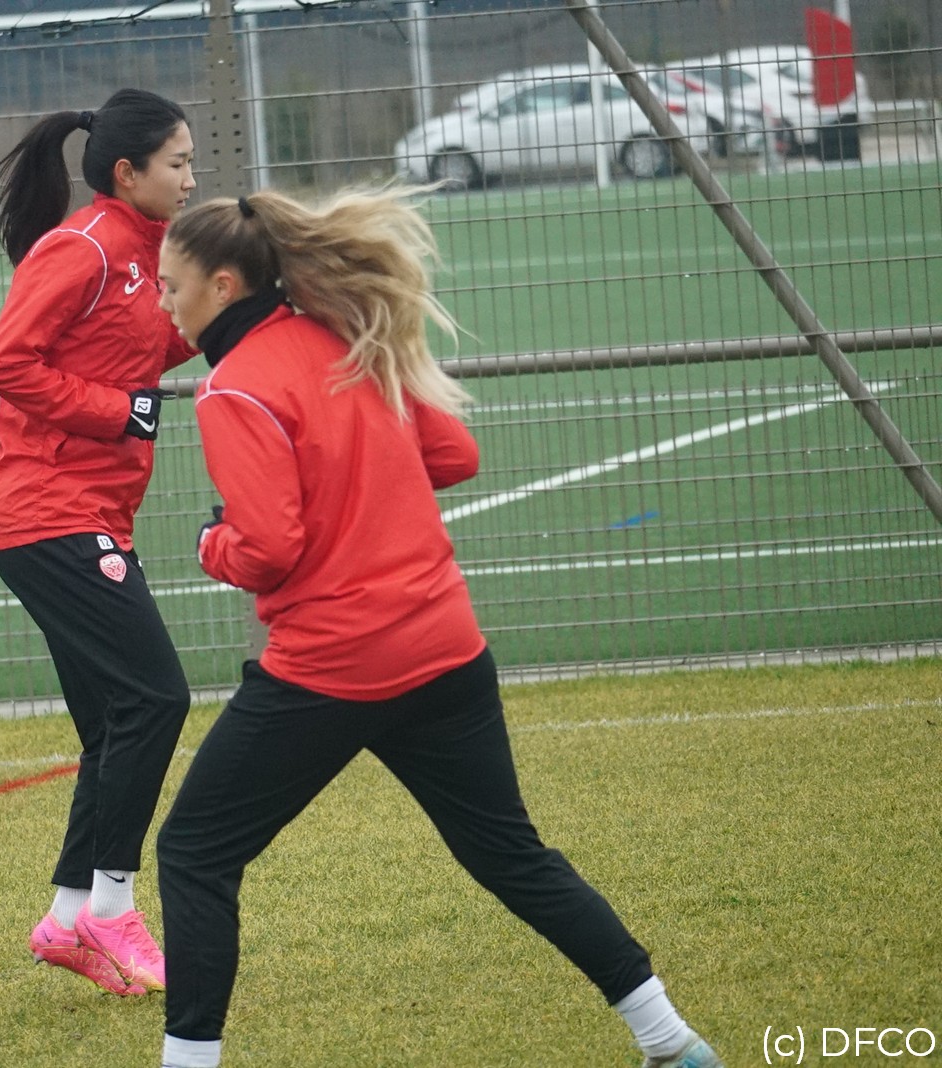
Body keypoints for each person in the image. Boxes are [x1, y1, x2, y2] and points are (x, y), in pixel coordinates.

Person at [150, 189, 724, 1068]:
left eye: (170, 285)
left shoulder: (232, 387)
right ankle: (671, 1041)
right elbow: (454, 454)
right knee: (511, 854)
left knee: (193, 852)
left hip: (333, 667)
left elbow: (266, 548)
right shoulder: (346, 339)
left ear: (223, 285)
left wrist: (209, 543)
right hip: (445, 648)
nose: (163, 302)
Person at [0, 88, 199, 997]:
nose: (191, 178)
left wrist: (246, 303)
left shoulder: (150, 253)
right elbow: (3, 362)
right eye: (179, 163)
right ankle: (114, 907)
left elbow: (141, 348)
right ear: (127, 172)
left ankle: (68, 920)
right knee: (157, 698)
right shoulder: (84, 248)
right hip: (47, 515)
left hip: (93, 515)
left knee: (113, 723)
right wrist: (119, 413)